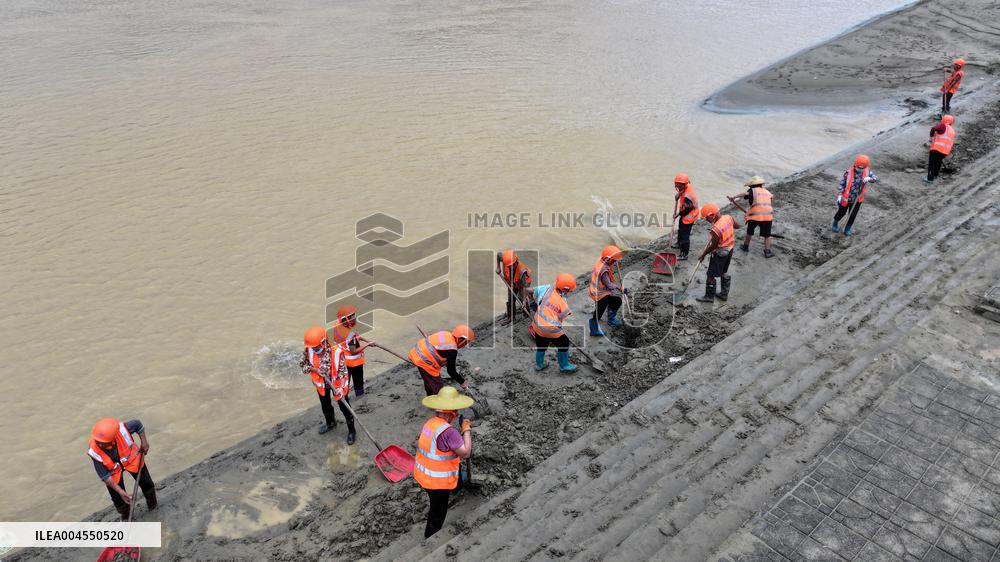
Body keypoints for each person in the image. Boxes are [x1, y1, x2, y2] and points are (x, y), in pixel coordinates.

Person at [414, 386, 474, 538]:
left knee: (456, 469)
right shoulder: (450, 432)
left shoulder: (430, 424)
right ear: (451, 413)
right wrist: (466, 430)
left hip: (422, 475)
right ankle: (430, 536)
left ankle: (457, 486)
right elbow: (466, 453)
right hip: (437, 483)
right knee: (437, 513)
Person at [87, 417, 156, 521]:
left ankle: (153, 505)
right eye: (98, 441)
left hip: (132, 459)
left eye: (103, 443)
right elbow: (105, 477)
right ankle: (126, 515)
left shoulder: (123, 430)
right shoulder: (94, 451)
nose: (100, 444)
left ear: (113, 438)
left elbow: (138, 424)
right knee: (118, 498)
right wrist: (120, 492)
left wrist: (144, 442)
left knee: (146, 483)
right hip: (113, 471)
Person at [300, 325, 356, 443]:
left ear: (324, 342)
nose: (315, 350)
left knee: (344, 407)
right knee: (325, 405)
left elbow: (343, 371)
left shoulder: (337, 351)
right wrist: (315, 370)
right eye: (313, 348)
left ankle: (352, 431)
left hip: (337, 384)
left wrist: (340, 388)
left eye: (316, 348)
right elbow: (303, 365)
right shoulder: (309, 349)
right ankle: (330, 423)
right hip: (321, 384)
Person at [531, 273, 578, 373]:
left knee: (541, 346)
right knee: (564, 343)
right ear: (565, 289)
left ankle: (539, 365)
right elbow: (562, 316)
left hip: (537, 324)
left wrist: (536, 302)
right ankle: (564, 366)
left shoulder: (548, 289)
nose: (569, 291)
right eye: (569, 290)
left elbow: (535, 293)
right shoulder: (562, 302)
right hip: (550, 328)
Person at [408, 325, 475, 396]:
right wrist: (462, 382)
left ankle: (430, 397)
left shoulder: (446, 333)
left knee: (429, 381)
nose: (464, 345)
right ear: (462, 340)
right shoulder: (452, 350)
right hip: (423, 361)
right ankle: (439, 404)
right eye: (466, 342)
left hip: (416, 352)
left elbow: (439, 348)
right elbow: (451, 371)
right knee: (438, 386)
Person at [696, 203, 739, 302]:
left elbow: (714, 245)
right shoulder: (728, 217)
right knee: (724, 272)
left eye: (707, 218)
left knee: (710, 275)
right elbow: (736, 226)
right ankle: (724, 294)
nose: (706, 220)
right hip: (730, 249)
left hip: (720, 252)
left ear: (712, 215)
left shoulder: (716, 229)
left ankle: (709, 297)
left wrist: (703, 255)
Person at [832, 154, 878, 237]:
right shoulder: (848, 172)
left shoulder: (867, 171)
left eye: (862, 168)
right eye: (858, 168)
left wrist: (870, 179)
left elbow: (875, 178)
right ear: (855, 165)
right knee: (841, 212)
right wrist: (840, 194)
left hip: (857, 199)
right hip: (846, 198)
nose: (860, 170)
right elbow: (842, 184)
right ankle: (835, 223)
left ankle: (847, 229)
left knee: (852, 214)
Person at [331, 305, 371, 396]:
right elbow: (353, 351)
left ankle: (344, 396)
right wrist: (367, 345)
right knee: (358, 381)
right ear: (346, 319)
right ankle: (360, 396)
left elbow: (355, 336)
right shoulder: (349, 335)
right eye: (352, 316)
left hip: (343, 361)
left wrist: (366, 340)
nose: (354, 318)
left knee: (345, 383)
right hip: (354, 363)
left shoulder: (337, 324)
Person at [733, 175, 775, 258]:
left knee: (750, 231)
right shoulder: (767, 191)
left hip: (755, 215)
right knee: (767, 235)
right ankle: (767, 251)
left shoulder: (752, 190)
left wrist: (734, 197)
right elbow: (771, 198)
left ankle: (745, 246)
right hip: (768, 215)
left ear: (751, 185)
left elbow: (745, 194)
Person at [588, 245, 625, 336]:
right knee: (599, 313)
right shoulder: (603, 271)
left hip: (596, 290)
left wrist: (613, 259)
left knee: (615, 301)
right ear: (608, 259)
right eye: (614, 260)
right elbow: (609, 285)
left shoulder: (601, 259)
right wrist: (620, 288)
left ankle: (611, 318)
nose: (615, 262)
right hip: (600, 294)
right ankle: (594, 330)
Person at [496, 249, 533, 323]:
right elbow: (498, 255)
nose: (510, 267)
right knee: (510, 299)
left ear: (516, 262)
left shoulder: (522, 271)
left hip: (522, 284)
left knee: (522, 298)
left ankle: (526, 315)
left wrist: (523, 301)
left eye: (511, 266)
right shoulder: (506, 260)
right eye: (508, 266)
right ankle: (511, 317)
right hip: (511, 282)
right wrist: (498, 267)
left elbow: (524, 287)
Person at [673, 174, 699, 261]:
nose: (678, 187)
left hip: (689, 215)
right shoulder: (687, 185)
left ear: (684, 185)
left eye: (679, 186)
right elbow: (682, 190)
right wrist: (679, 194)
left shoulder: (688, 195)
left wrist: (678, 214)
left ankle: (684, 254)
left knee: (685, 235)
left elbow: (687, 208)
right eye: (676, 185)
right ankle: (678, 244)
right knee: (680, 229)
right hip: (685, 212)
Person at [926, 115, 956, 183]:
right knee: (938, 162)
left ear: (944, 120)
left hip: (936, 149)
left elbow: (933, 128)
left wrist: (931, 136)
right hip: (944, 151)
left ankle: (930, 179)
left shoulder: (943, 126)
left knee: (932, 164)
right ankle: (935, 175)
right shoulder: (952, 131)